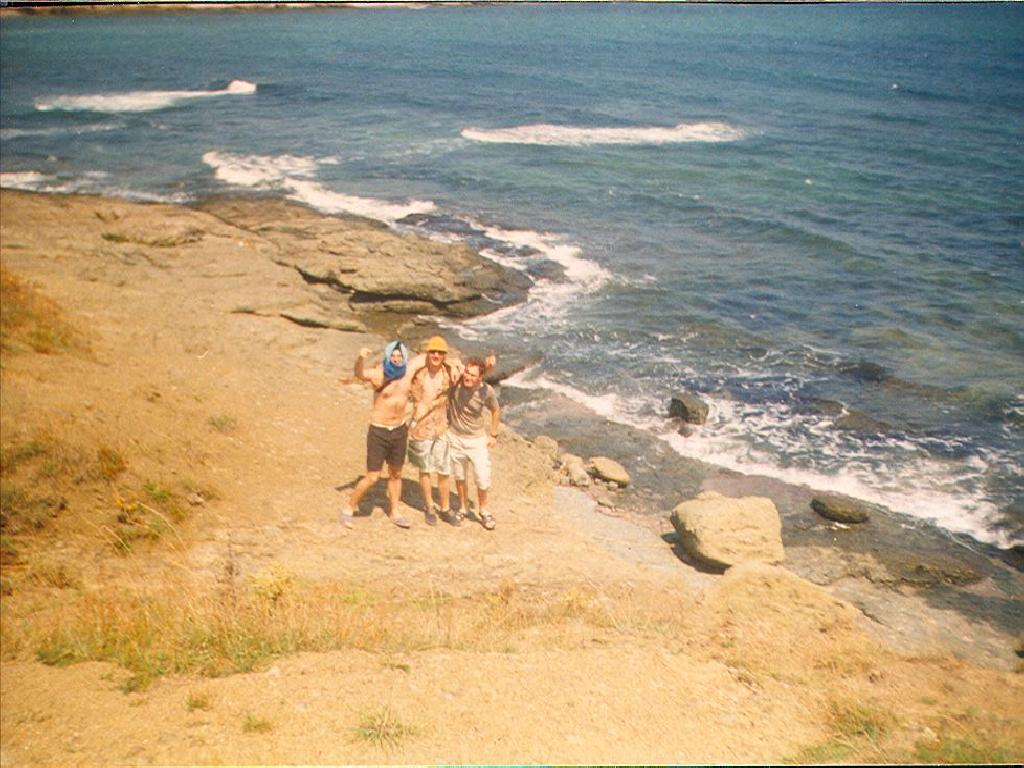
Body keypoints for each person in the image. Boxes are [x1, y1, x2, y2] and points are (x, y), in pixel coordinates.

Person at [407, 337, 496, 526]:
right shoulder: (420, 374)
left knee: (446, 471)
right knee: (426, 469)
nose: (436, 355)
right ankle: (430, 507)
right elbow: (407, 373)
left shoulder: (450, 374)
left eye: (440, 353)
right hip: (423, 429)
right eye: (433, 352)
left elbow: (475, 378)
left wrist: (493, 435)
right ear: (427, 353)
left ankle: (449, 509)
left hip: (443, 428)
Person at [340, 341, 424, 529]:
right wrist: (360, 358)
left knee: (396, 473)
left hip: (399, 430)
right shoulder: (379, 373)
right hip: (379, 430)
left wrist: (452, 363)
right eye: (393, 355)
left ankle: (395, 512)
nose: (396, 358)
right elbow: (360, 374)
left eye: (399, 356)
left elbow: (426, 357)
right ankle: (348, 508)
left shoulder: (408, 372)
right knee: (373, 476)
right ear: (388, 356)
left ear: (404, 357)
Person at [447, 356, 501, 530]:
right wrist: (455, 365)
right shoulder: (456, 382)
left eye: (472, 375)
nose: (468, 377)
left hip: (476, 441)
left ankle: (483, 510)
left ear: (480, 377)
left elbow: (495, 410)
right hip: (455, 437)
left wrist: (493, 434)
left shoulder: (487, 391)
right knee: (460, 476)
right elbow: (446, 360)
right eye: (467, 373)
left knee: (482, 477)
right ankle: (463, 508)